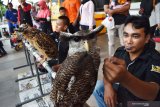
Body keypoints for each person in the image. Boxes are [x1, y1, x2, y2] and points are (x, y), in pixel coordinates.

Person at [93, 15, 160, 107]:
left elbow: (152, 93)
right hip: (123, 95)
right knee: (99, 87)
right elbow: (107, 73)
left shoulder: (155, 59)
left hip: (142, 103)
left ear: (147, 38)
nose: (128, 41)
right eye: (126, 35)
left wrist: (125, 78)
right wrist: (108, 86)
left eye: (135, 36)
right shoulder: (121, 52)